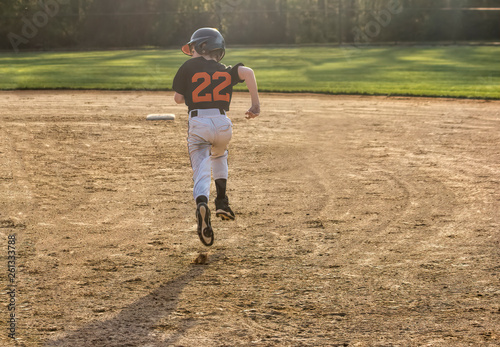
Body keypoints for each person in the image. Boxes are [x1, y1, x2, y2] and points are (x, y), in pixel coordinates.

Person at [172, 27, 260, 246]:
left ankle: (202, 202)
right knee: (220, 155)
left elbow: (177, 99)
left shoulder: (188, 66)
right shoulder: (225, 71)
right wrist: (255, 105)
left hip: (199, 121)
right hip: (222, 123)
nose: (191, 53)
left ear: (202, 47)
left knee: (201, 164)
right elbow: (248, 72)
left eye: (193, 48)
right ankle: (222, 201)